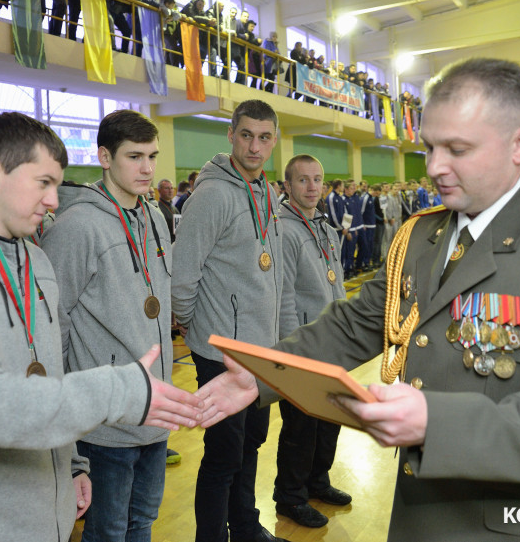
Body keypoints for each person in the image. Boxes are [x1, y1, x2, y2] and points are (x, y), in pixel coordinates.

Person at [195, 58, 520, 542]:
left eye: (457, 149)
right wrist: (264, 372)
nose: (434, 167)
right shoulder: (421, 237)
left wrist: (436, 422)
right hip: (416, 517)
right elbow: (356, 324)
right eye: (430, 146)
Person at [0, 112, 203, 542]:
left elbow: (48, 370)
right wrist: (118, 389)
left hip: (41, 509)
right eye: (43, 183)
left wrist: (71, 464)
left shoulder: (34, 260)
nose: (54, 201)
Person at [40, 110, 174, 542]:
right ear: (103, 157)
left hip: (154, 409)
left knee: (142, 523)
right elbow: (51, 322)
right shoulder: (77, 226)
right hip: (104, 420)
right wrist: (64, 408)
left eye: (152, 156)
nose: (148, 168)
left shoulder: (154, 216)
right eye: (134, 157)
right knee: (107, 531)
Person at [172, 99, 288, 542]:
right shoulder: (214, 194)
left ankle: (243, 525)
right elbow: (183, 276)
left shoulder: (266, 191)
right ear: (231, 135)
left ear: (273, 140)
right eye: (246, 135)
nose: (254, 147)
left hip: (261, 350)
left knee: (251, 445)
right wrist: (194, 327)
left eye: (263, 138)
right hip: (221, 352)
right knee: (223, 455)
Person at [273, 155, 349, 529]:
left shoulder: (325, 226)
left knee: (329, 420)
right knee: (300, 428)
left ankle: (318, 481)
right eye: (303, 180)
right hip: (303, 345)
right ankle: (290, 497)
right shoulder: (283, 229)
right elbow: (284, 295)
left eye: (317, 179)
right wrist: (292, 348)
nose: (312, 186)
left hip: (333, 341)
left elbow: (337, 282)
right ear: (287, 186)